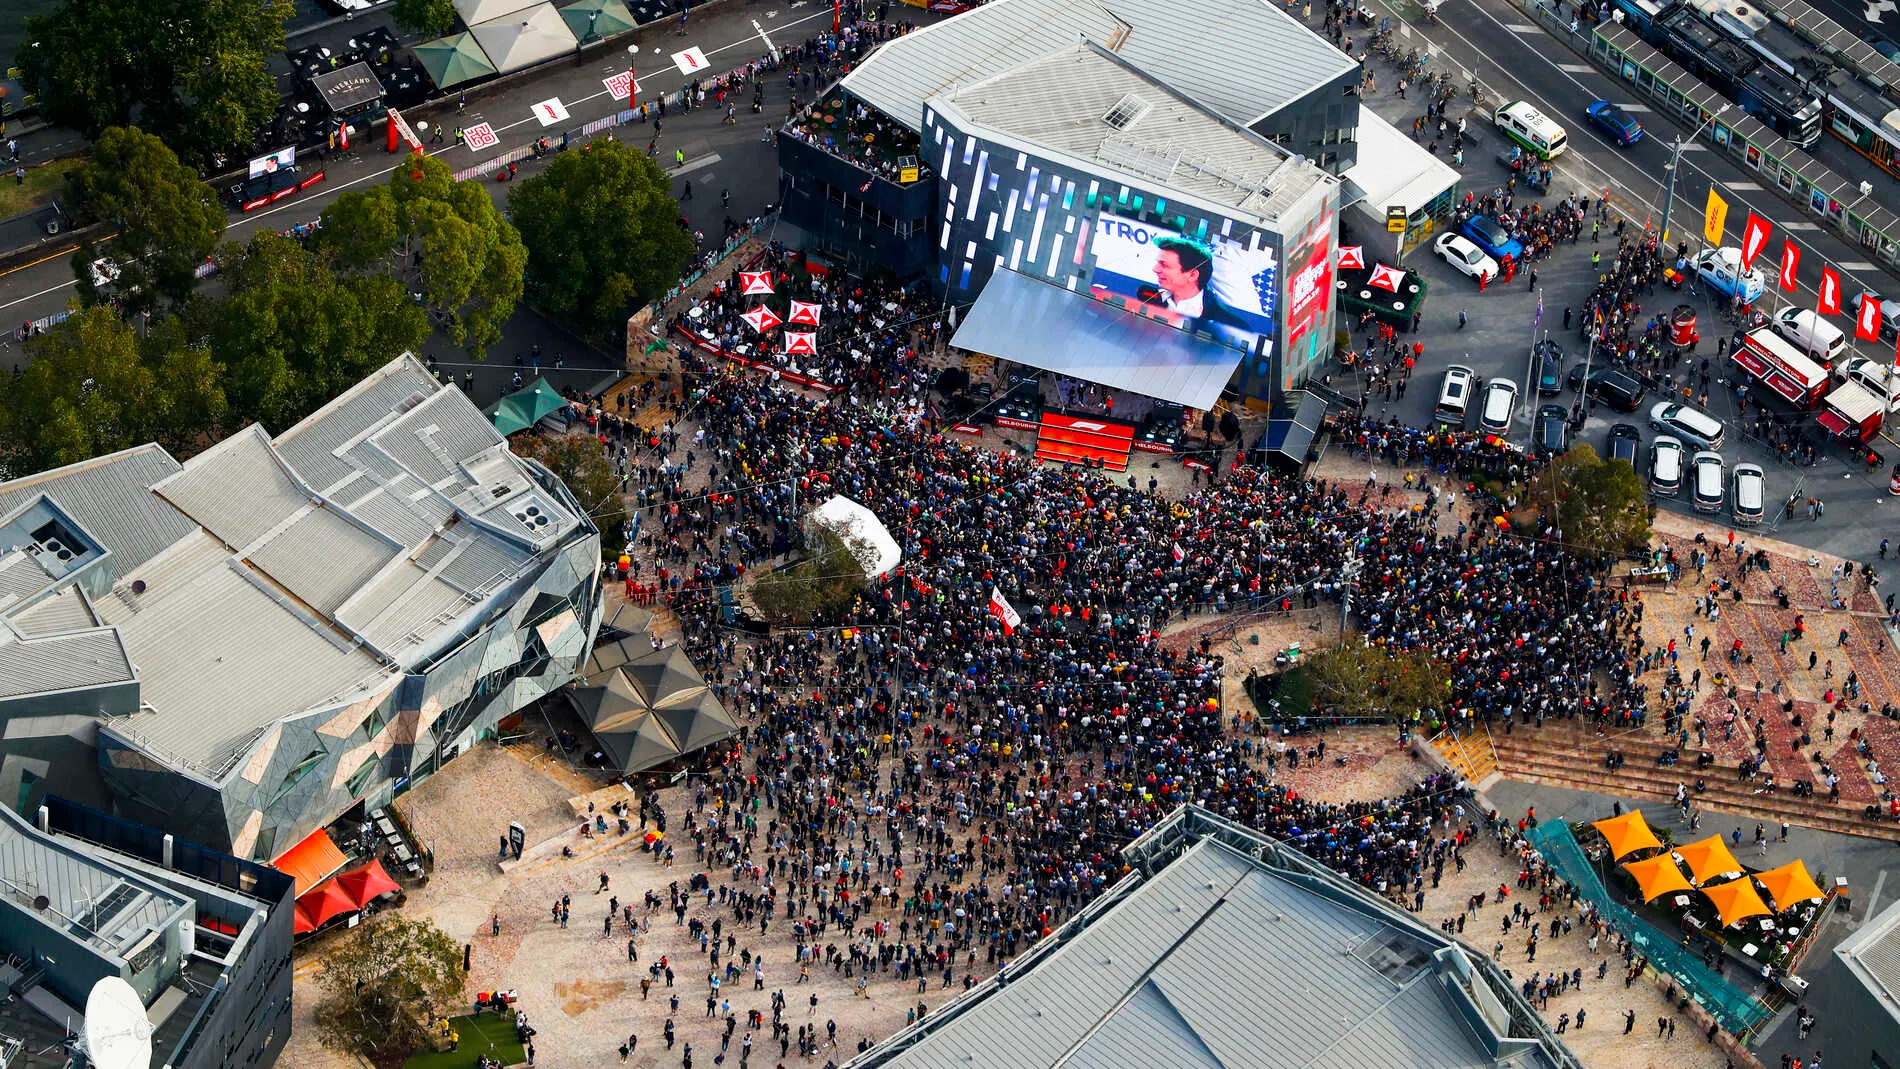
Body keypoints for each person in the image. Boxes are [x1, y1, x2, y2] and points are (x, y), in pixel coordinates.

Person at [1146, 235, 1252, 345]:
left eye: (1164, 265)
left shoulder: (1231, 325)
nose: (1155, 269)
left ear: (1192, 275)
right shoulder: (1148, 299)